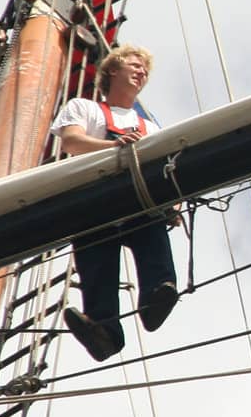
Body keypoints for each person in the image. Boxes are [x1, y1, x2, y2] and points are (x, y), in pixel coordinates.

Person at [50, 44, 179, 359]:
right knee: (95, 253)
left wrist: (173, 204)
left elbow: (163, 164)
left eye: (144, 70)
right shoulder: (85, 108)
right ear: (111, 70)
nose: (141, 71)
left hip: (136, 197)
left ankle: (157, 297)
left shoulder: (150, 127)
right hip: (96, 199)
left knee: (152, 229)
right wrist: (114, 147)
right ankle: (103, 329)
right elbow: (71, 141)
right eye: (134, 65)